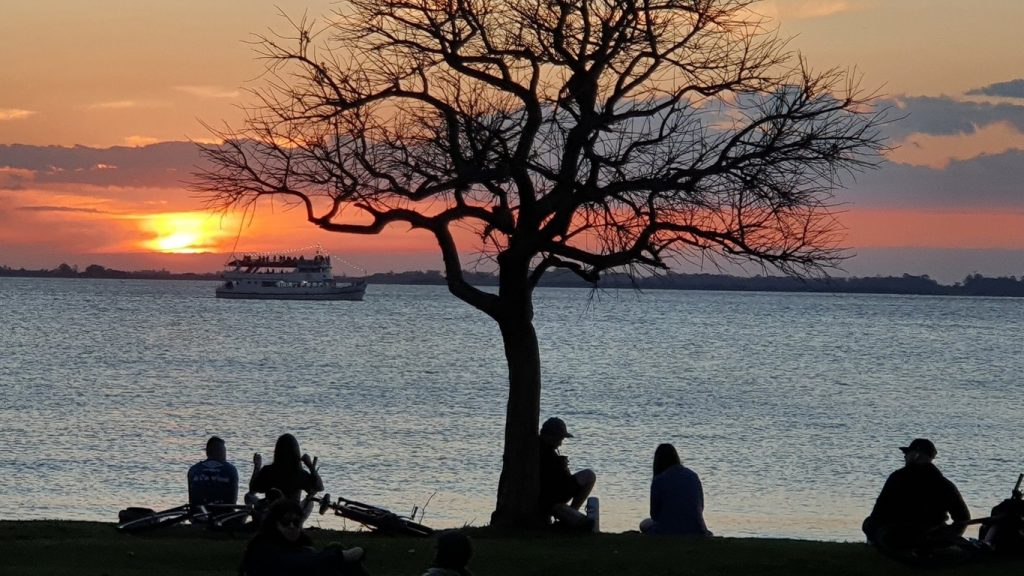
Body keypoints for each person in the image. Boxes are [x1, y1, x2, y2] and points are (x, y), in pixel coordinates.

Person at [862, 438, 971, 555]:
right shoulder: (943, 483)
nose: (904, 457)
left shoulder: (897, 478)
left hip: (899, 535)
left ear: (916, 455)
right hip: (932, 536)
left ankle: (878, 543)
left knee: (869, 523)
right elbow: (963, 517)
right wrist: (949, 537)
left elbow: (879, 511)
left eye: (906, 454)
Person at [239, 491, 368, 576]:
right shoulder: (262, 546)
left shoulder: (298, 547)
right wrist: (340, 556)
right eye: (285, 522)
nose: (291, 526)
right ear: (274, 523)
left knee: (336, 551)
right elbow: (296, 563)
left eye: (296, 522)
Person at [639, 443, 712, 536]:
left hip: (668, 530)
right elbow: (700, 506)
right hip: (696, 528)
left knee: (644, 524)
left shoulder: (659, 480)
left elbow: (654, 514)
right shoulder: (692, 475)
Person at [537, 417, 596, 529]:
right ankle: (572, 512)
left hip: (554, 493)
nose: (560, 443)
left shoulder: (544, 448)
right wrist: (562, 464)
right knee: (589, 475)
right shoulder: (544, 452)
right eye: (559, 439)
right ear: (550, 436)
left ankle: (571, 514)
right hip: (552, 495)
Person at [250, 433, 325, 519]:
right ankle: (297, 525)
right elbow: (319, 488)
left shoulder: (268, 470)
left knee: (249, 497)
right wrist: (310, 465)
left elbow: (253, 489)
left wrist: (257, 466)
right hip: (292, 515)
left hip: (272, 512)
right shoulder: (299, 473)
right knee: (310, 502)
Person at [187, 436, 239, 507]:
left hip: (198, 515)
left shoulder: (194, 470)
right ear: (221, 451)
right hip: (224, 515)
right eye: (224, 451)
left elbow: (191, 500)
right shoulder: (230, 469)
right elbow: (233, 501)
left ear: (207, 452)